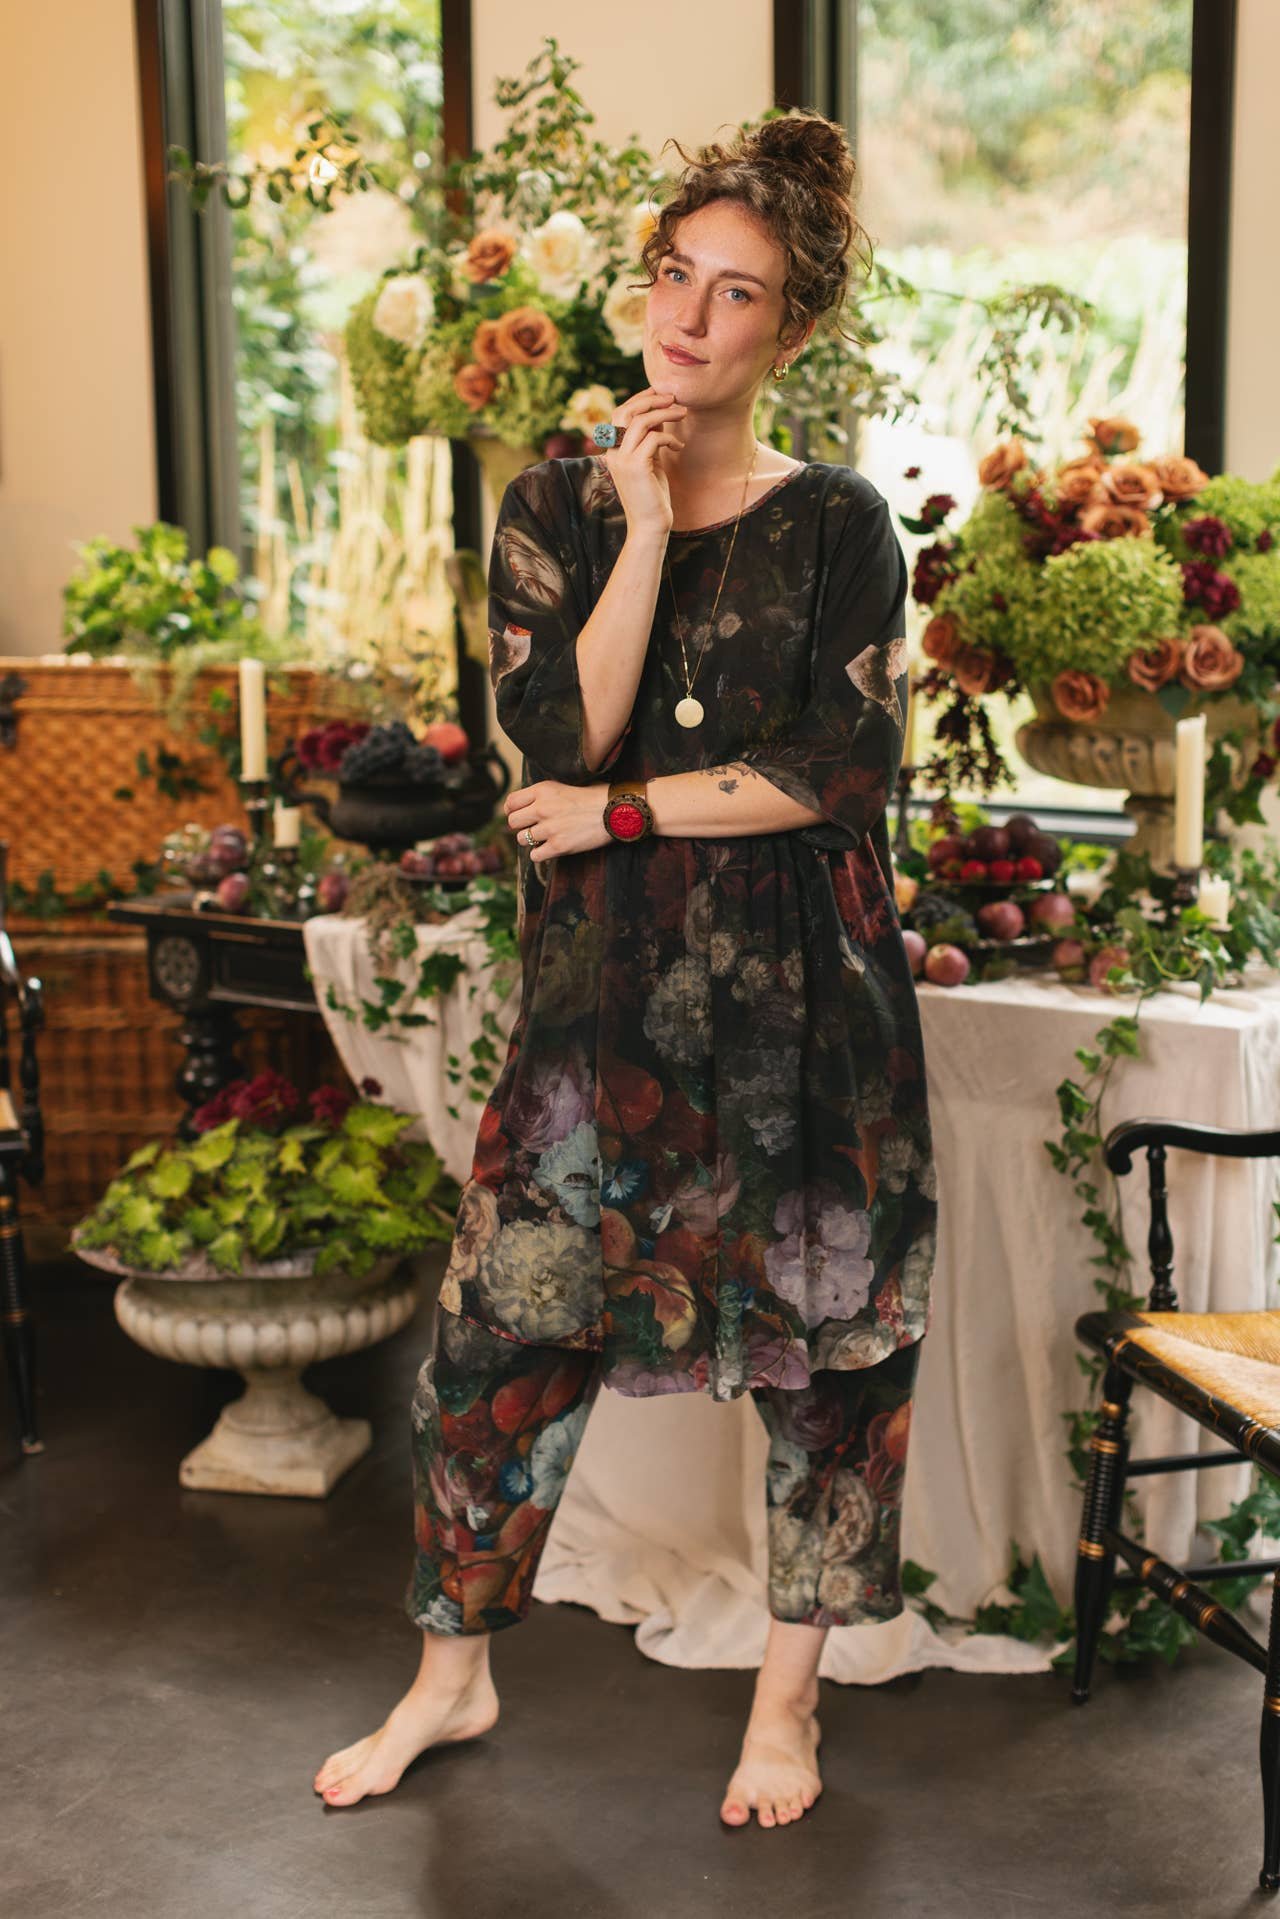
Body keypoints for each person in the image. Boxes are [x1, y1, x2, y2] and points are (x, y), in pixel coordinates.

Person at [314, 106, 937, 1830]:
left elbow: (834, 773)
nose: (688, 315)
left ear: (791, 331)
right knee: (501, 1332)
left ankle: (787, 1710)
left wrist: (626, 816)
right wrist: (645, 525)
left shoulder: (842, 524)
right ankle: (451, 1675)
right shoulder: (554, 509)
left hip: (812, 1008)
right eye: (674, 274)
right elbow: (556, 736)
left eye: (736, 294)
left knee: (830, 1359)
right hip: (602, 1012)